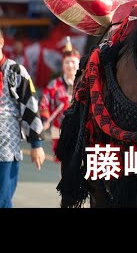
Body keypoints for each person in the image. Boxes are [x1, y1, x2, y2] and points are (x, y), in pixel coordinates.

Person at [0, 28, 45, 208]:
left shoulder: (16, 71)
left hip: (5, 147)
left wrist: (36, 145)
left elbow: (30, 107)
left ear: (1, 43)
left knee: (3, 199)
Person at [40, 37, 80, 159]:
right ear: (62, 65)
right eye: (67, 62)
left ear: (79, 64)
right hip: (59, 128)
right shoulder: (55, 85)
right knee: (63, 160)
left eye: (73, 62)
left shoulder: (84, 84)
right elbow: (44, 103)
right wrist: (45, 119)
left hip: (79, 128)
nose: (70, 65)